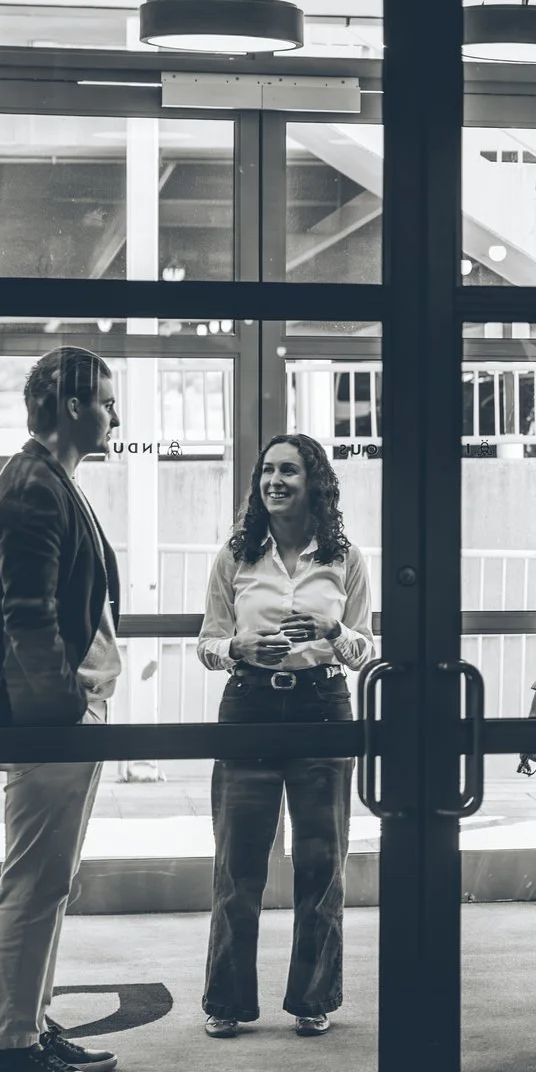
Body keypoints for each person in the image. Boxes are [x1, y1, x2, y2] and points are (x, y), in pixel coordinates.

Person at [0, 346, 126, 1072]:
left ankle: (29, 1022)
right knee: (33, 884)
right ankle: (12, 1050)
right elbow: (27, 622)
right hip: (50, 723)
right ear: (70, 405)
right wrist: (65, 709)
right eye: (106, 400)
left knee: (48, 882)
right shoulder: (34, 488)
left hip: (62, 718)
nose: (115, 415)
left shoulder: (46, 479)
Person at [194, 434, 374, 1040]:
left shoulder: (344, 557)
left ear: (314, 482)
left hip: (323, 706)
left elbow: (364, 648)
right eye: (267, 471)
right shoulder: (236, 554)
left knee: (321, 865)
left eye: (288, 471)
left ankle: (312, 999)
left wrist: (333, 626)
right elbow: (208, 641)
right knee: (237, 866)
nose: (275, 481)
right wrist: (236, 648)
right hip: (247, 706)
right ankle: (228, 1000)